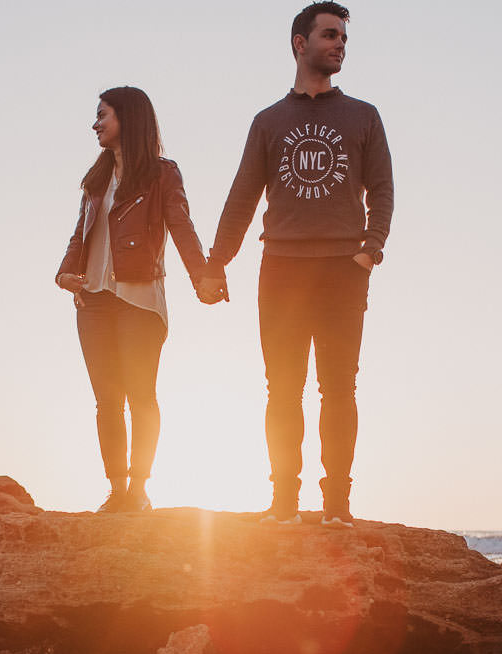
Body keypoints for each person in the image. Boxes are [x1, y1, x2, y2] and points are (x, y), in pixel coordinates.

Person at [200, 2, 393, 527]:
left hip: (342, 270)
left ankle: (336, 507)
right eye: (330, 36)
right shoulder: (268, 122)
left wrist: (370, 250)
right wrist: (215, 263)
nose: (340, 45)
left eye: (344, 39)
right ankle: (283, 504)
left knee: (338, 388)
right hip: (281, 268)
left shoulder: (363, 116)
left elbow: (382, 190)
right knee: (282, 390)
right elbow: (242, 198)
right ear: (299, 43)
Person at [57, 86, 208, 513]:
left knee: (141, 395)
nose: (95, 124)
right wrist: (66, 272)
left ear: (129, 118)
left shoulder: (161, 174)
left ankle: (139, 489)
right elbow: (79, 235)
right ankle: (117, 490)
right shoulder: (98, 179)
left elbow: (181, 225)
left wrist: (202, 276)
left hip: (140, 299)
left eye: (102, 114)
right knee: (107, 398)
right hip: (94, 300)